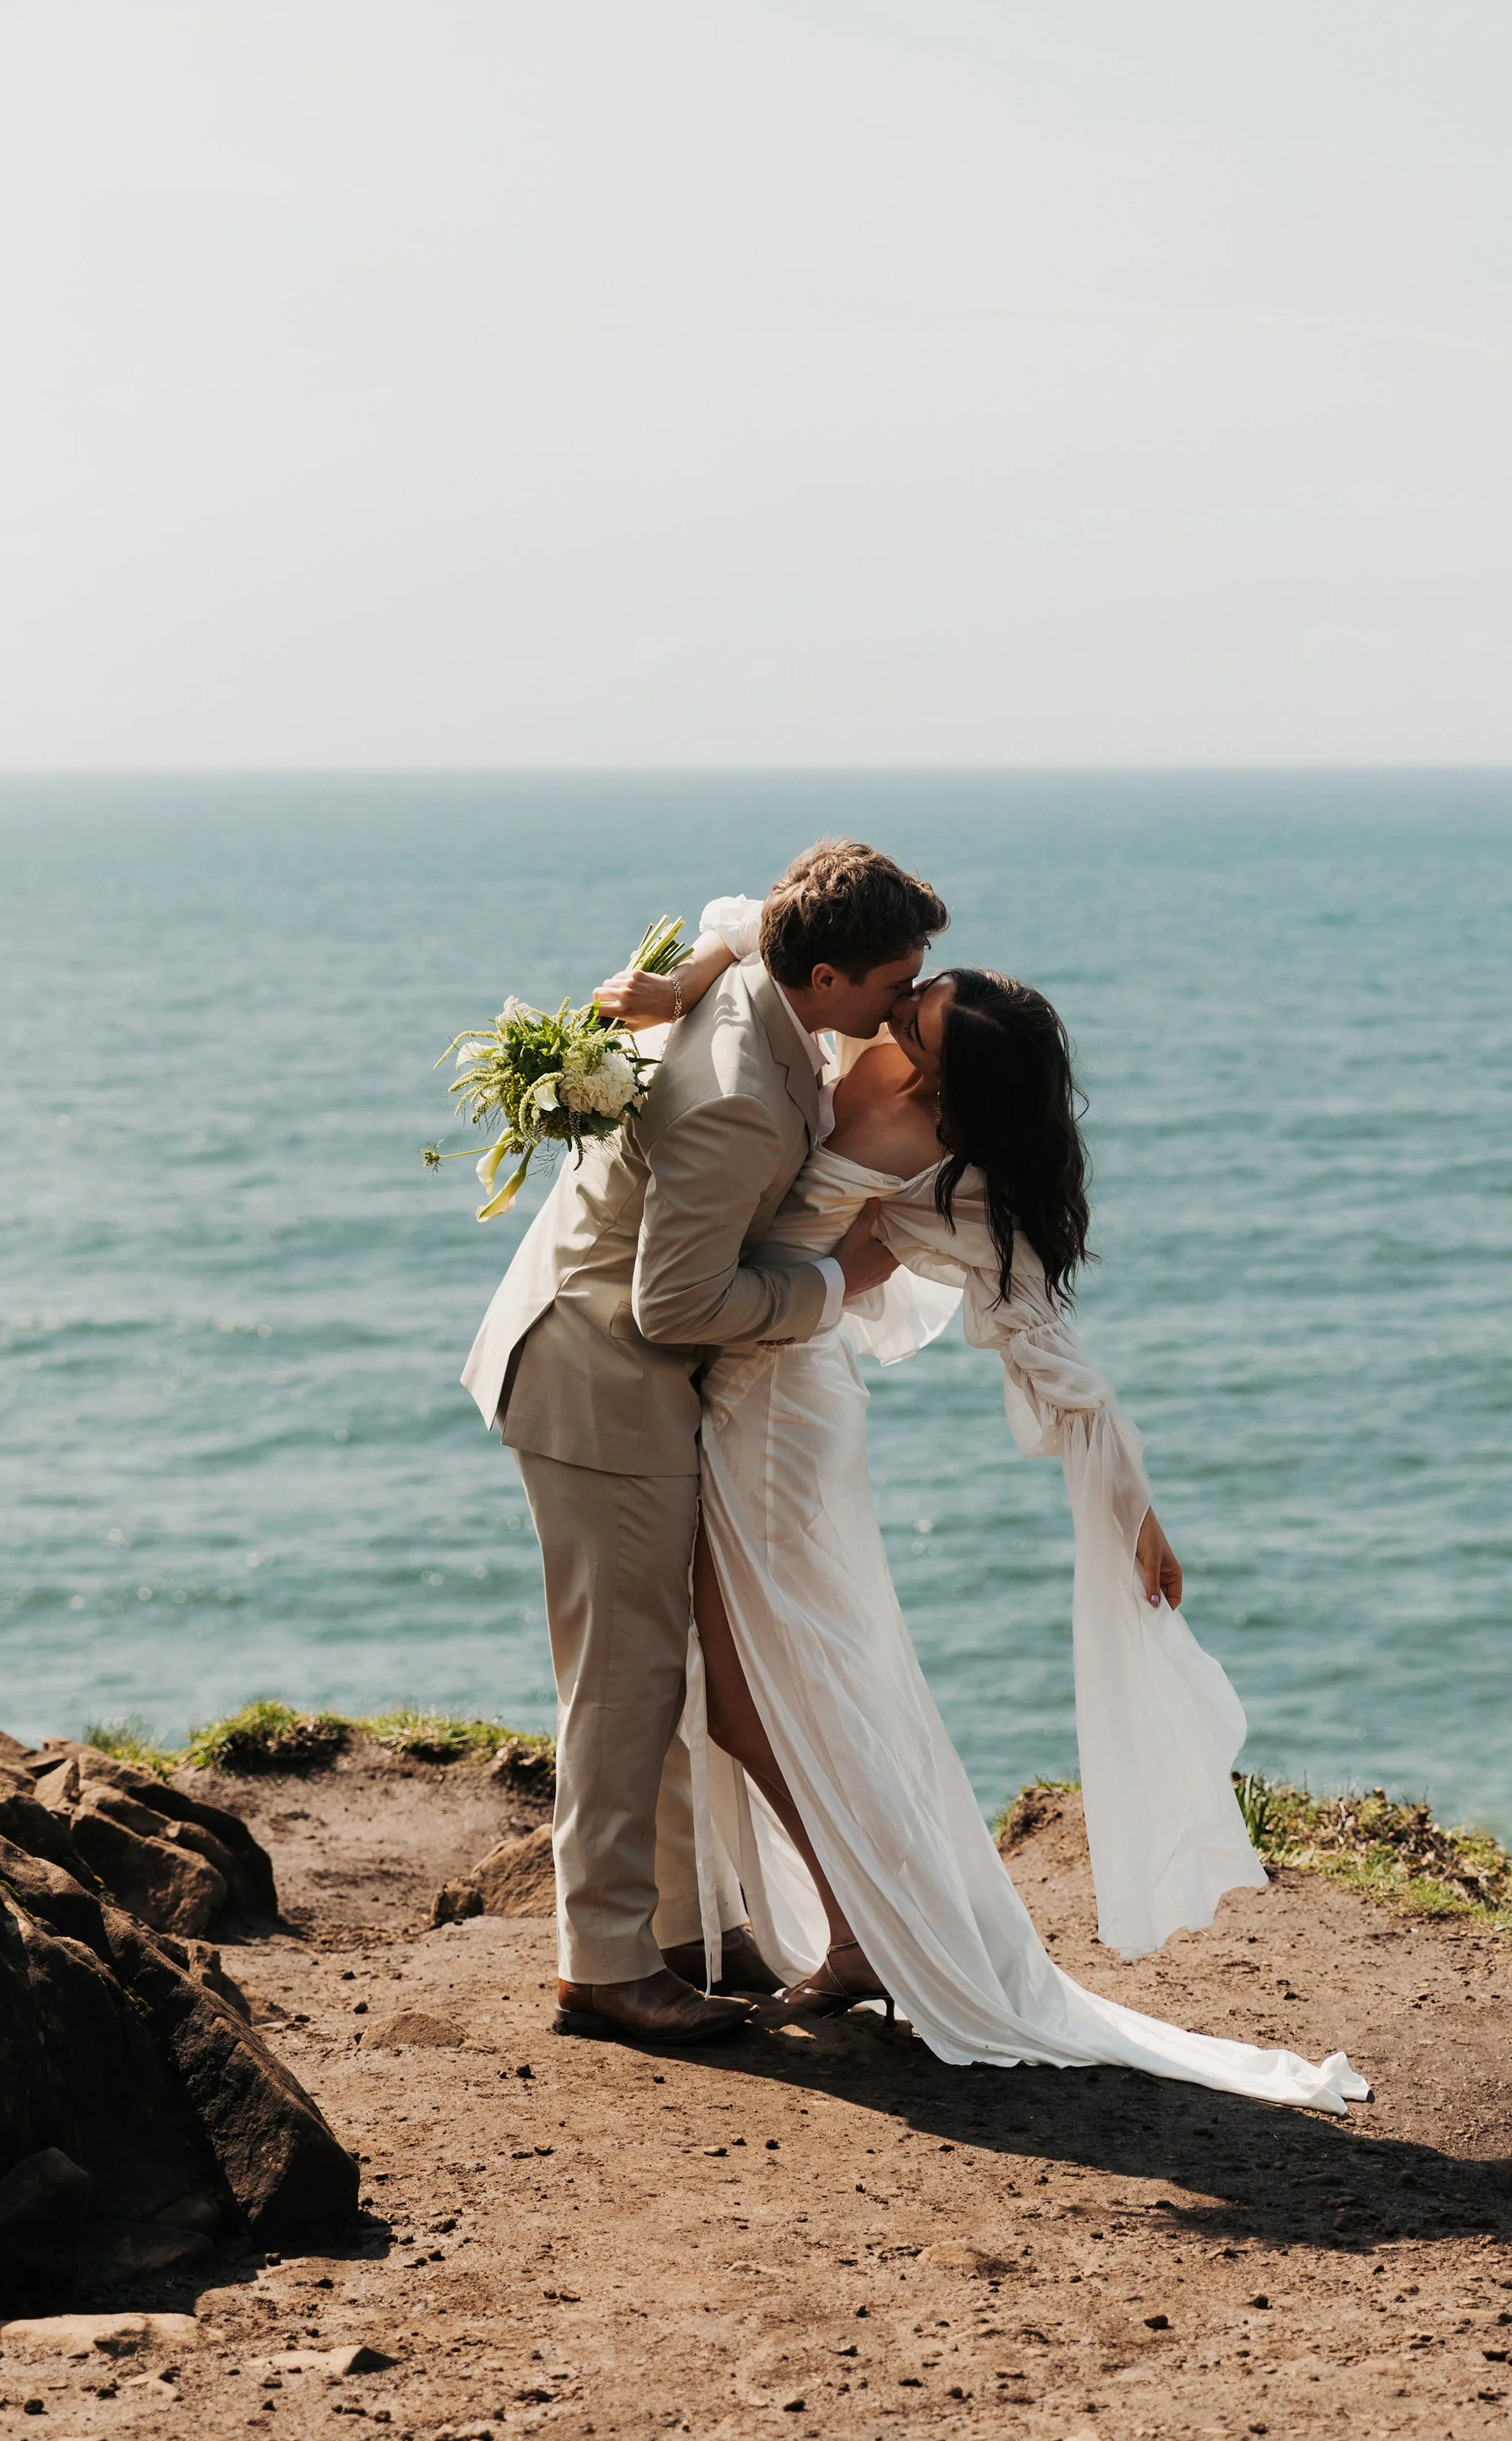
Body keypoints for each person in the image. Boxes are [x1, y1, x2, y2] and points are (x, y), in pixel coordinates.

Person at [596, 898, 1370, 2111]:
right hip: (734, 1388)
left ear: (960, 1084)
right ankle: (844, 1929)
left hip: (781, 1422)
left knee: (754, 1700)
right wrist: (682, 982)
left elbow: (1055, 1364)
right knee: (759, 1691)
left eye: (923, 1017)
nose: (896, 1012)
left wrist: (1138, 1518)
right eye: (908, 993)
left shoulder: (954, 1175)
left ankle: (864, 1935)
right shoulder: (860, 1032)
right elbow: (762, 926)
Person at [462, 842, 947, 2045]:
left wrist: (679, 977)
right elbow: (672, 1305)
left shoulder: (757, 973)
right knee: (625, 1680)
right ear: (826, 977)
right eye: (893, 985)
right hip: (599, 1385)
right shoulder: (739, 1092)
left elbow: (739, 918)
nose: (903, 1008)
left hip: (602, 1366)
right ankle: (606, 1967)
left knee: (654, 1670)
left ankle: (670, 1933)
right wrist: (837, 1283)